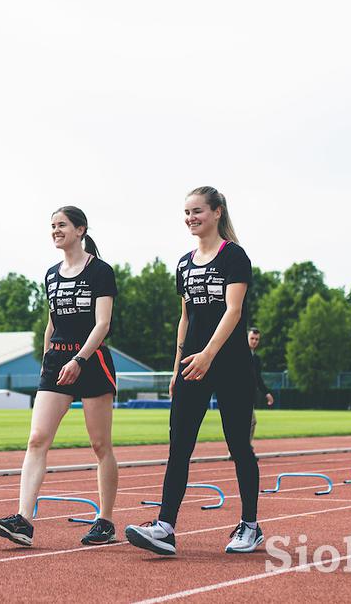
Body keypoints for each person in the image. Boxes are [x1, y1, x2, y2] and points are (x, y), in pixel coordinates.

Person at [126, 187, 263, 556]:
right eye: (186, 212)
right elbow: (185, 318)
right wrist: (178, 367)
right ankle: (165, 527)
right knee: (179, 447)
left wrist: (208, 355)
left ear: (217, 212)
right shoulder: (184, 263)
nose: (190, 218)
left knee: (238, 446)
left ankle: (250, 525)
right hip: (191, 367)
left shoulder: (234, 256)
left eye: (197, 211)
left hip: (231, 365)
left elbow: (233, 312)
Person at [0, 206, 119, 547]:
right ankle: (23, 521)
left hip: (90, 360)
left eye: (61, 225)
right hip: (57, 362)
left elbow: (102, 324)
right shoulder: (50, 274)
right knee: (36, 438)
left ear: (80, 229)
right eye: (52, 226)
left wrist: (79, 359)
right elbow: (52, 320)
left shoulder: (101, 272)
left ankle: (104, 521)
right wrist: (48, 354)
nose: (55, 231)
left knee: (100, 444)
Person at [248, 327, 274, 441]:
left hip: (249, 395)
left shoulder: (256, 359)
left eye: (257, 339)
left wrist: (267, 393)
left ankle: (241, 449)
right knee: (250, 422)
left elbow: (258, 379)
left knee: (248, 423)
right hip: (238, 394)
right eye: (252, 338)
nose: (254, 341)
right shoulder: (238, 354)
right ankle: (242, 450)